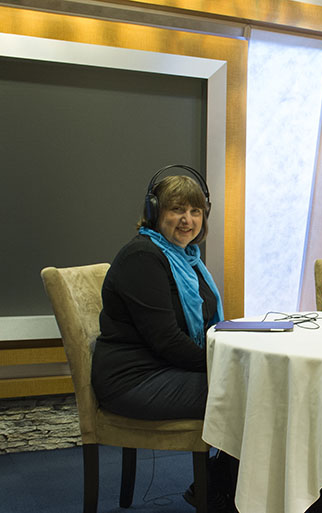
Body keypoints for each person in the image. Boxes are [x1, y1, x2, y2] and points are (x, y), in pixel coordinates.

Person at [91, 167, 235, 512]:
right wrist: (229, 363)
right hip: (133, 379)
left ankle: (221, 484)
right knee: (248, 389)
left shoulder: (187, 261)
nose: (187, 220)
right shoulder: (143, 258)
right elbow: (168, 342)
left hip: (163, 370)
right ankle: (219, 490)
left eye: (195, 211)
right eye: (177, 210)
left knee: (253, 382)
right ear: (155, 212)